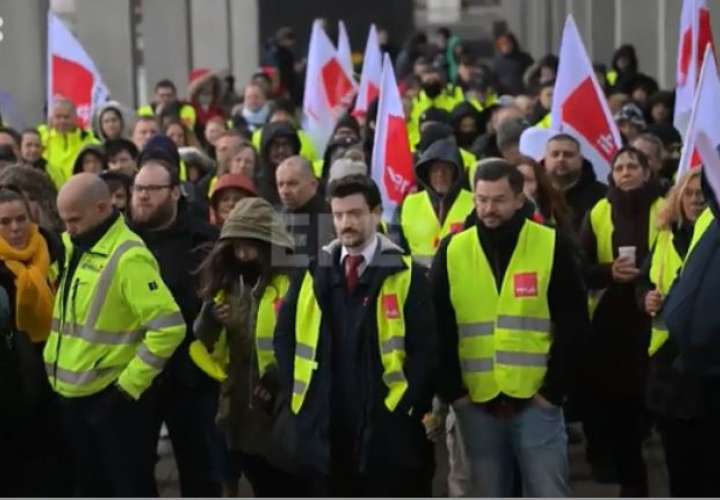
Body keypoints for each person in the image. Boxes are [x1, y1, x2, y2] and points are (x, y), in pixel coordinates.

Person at [430, 159, 587, 496]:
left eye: (499, 199)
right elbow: (438, 327)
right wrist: (454, 392)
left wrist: (554, 391)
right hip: (475, 401)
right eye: (482, 199)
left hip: (536, 400)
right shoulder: (453, 249)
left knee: (549, 492)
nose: (489, 208)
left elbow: (574, 323)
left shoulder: (550, 244)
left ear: (520, 199)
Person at [274, 174, 438, 496]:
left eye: (355, 213)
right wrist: (302, 396)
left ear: (376, 214)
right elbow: (284, 337)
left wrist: (403, 405)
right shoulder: (313, 271)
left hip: (385, 427)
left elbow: (426, 350)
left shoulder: (406, 275)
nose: (346, 223)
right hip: (326, 424)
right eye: (338, 215)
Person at [44, 173, 185, 496]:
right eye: (64, 221)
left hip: (111, 401)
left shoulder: (129, 257)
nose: (68, 228)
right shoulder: (71, 244)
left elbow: (169, 327)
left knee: (127, 486)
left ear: (102, 207)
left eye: (75, 220)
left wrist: (127, 388)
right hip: (71, 396)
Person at [193, 197, 305, 496]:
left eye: (250, 246)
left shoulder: (291, 284)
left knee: (286, 481)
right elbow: (204, 344)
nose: (243, 255)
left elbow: (305, 340)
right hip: (240, 402)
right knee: (257, 477)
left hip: (280, 400)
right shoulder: (229, 284)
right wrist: (210, 319)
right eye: (237, 247)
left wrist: (278, 377)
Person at [130, 141, 222, 497]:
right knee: (135, 472)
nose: (142, 197)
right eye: (138, 189)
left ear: (175, 192)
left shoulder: (205, 241)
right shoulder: (121, 241)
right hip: (137, 377)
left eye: (151, 190)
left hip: (191, 380)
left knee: (200, 471)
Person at [579, 147, 664, 497]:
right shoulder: (600, 210)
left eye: (633, 166)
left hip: (656, 314)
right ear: (611, 174)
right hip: (614, 318)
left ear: (646, 171)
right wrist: (608, 271)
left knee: (656, 402)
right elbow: (581, 265)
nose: (626, 172)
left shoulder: (664, 207)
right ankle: (633, 482)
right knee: (621, 404)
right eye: (619, 167)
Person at [634, 170, 716, 496]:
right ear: (677, 198)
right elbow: (645, 278)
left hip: (708, 363)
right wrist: (645, 297)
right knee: (679, 462)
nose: (696, 199)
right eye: (689, 193)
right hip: (668, 367)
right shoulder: (666, 236)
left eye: (703, 194)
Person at [0, 185, 67, 496]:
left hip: (56, 380)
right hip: (10, 390)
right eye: (4, 222)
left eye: (20, 218)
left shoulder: (54, 251)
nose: (15, 228)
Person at [395, 137, 474, 267]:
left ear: (456, 173)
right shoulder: (409, 203)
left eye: (446, 169)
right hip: (419, 279)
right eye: (435, 170)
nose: (440, 174)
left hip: (461, 275)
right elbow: (397, 248)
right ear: (427, 174)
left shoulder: (474, 202)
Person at [542, 133, 607, 233]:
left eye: (568, 155)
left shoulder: (602, 196)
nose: (561, 159)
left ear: (580, 160)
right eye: (555, 154)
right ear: (545, 159)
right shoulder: (532, 192)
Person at [276, 155, 333, 260]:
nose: (285, 191)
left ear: (313, 185)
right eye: (280, 185)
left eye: (292, 184)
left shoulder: (330, 219)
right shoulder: (278, 218)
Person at [39, 98, 98, 189]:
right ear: (51, 118)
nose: (62, 121)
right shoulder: (41, 137)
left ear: (75, 118)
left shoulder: (89, 140)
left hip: (80, 191)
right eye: (58, 117)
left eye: (66, 117)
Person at [516, 155, 572, 229]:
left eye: (528, 180)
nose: (523, 186)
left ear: (539, 184)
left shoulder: (554, 211)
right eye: (518, 179)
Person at [257, 121, 301, 207]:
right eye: (276, 145)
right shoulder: (256, 186)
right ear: (266, 150)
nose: (281, 150)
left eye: (286, 144)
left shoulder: (306, 182)